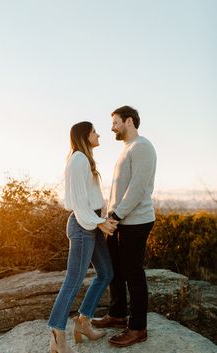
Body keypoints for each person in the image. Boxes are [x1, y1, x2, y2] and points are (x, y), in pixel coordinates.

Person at [48, 121, 117, 353]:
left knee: (106, 273)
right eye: (95, 131)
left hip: (92, 223)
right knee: (74, 280)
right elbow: (78, 203)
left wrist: (101, 220)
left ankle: (83, 321)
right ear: (85, 136)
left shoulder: (85, 160)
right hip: (82, 225)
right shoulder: (78, 159)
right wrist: (99, 222)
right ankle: (57, 335)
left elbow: (89, 198)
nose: (99, 135)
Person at [91, 106, 157, 348]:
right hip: (120, 221)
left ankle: (138, 328)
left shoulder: (142, 147)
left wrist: (116, 216)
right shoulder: (126, 149)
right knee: (114, 269)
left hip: (135, 221)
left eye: (115, 123)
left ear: (129, 121)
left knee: (133, 273)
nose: (112, 128)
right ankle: (118, 315)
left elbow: (138, 189)